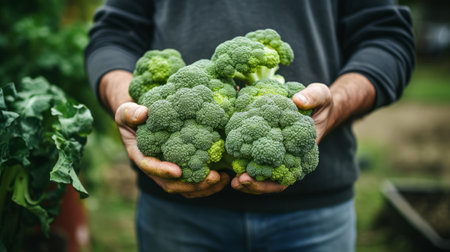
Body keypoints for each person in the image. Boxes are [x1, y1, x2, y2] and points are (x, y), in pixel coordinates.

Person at [85, 0, 415, 251]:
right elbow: (113, 36)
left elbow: (387, 39)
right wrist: (124, 103)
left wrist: (337, 104)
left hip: (315, 211)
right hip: (175, 213)